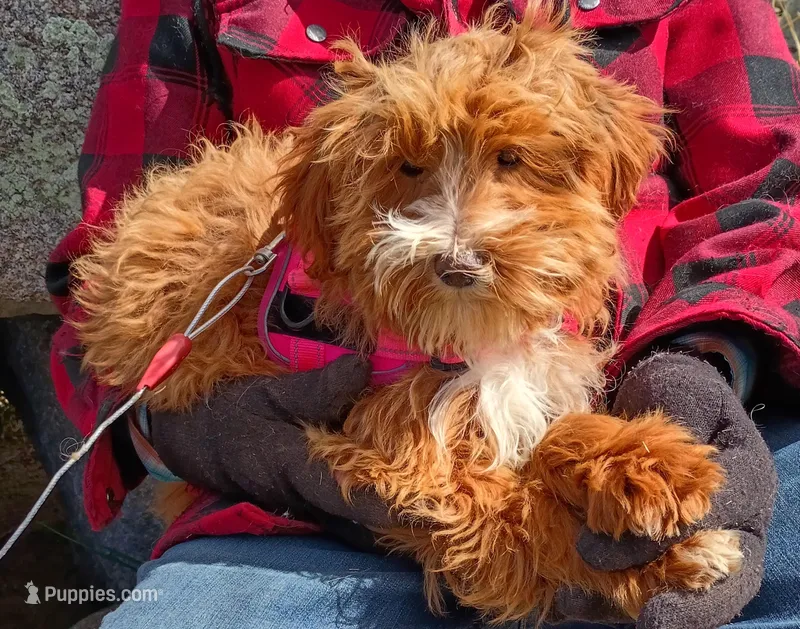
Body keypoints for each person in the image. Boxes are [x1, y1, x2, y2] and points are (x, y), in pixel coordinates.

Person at [45, 0, 800, 627]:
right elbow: (104, 264)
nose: (461, 238)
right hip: (295, 510)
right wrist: (181, 426)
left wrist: (700, 362)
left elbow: (773, 192)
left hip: (664, 410)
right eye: (409, 168)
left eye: (509, 162)